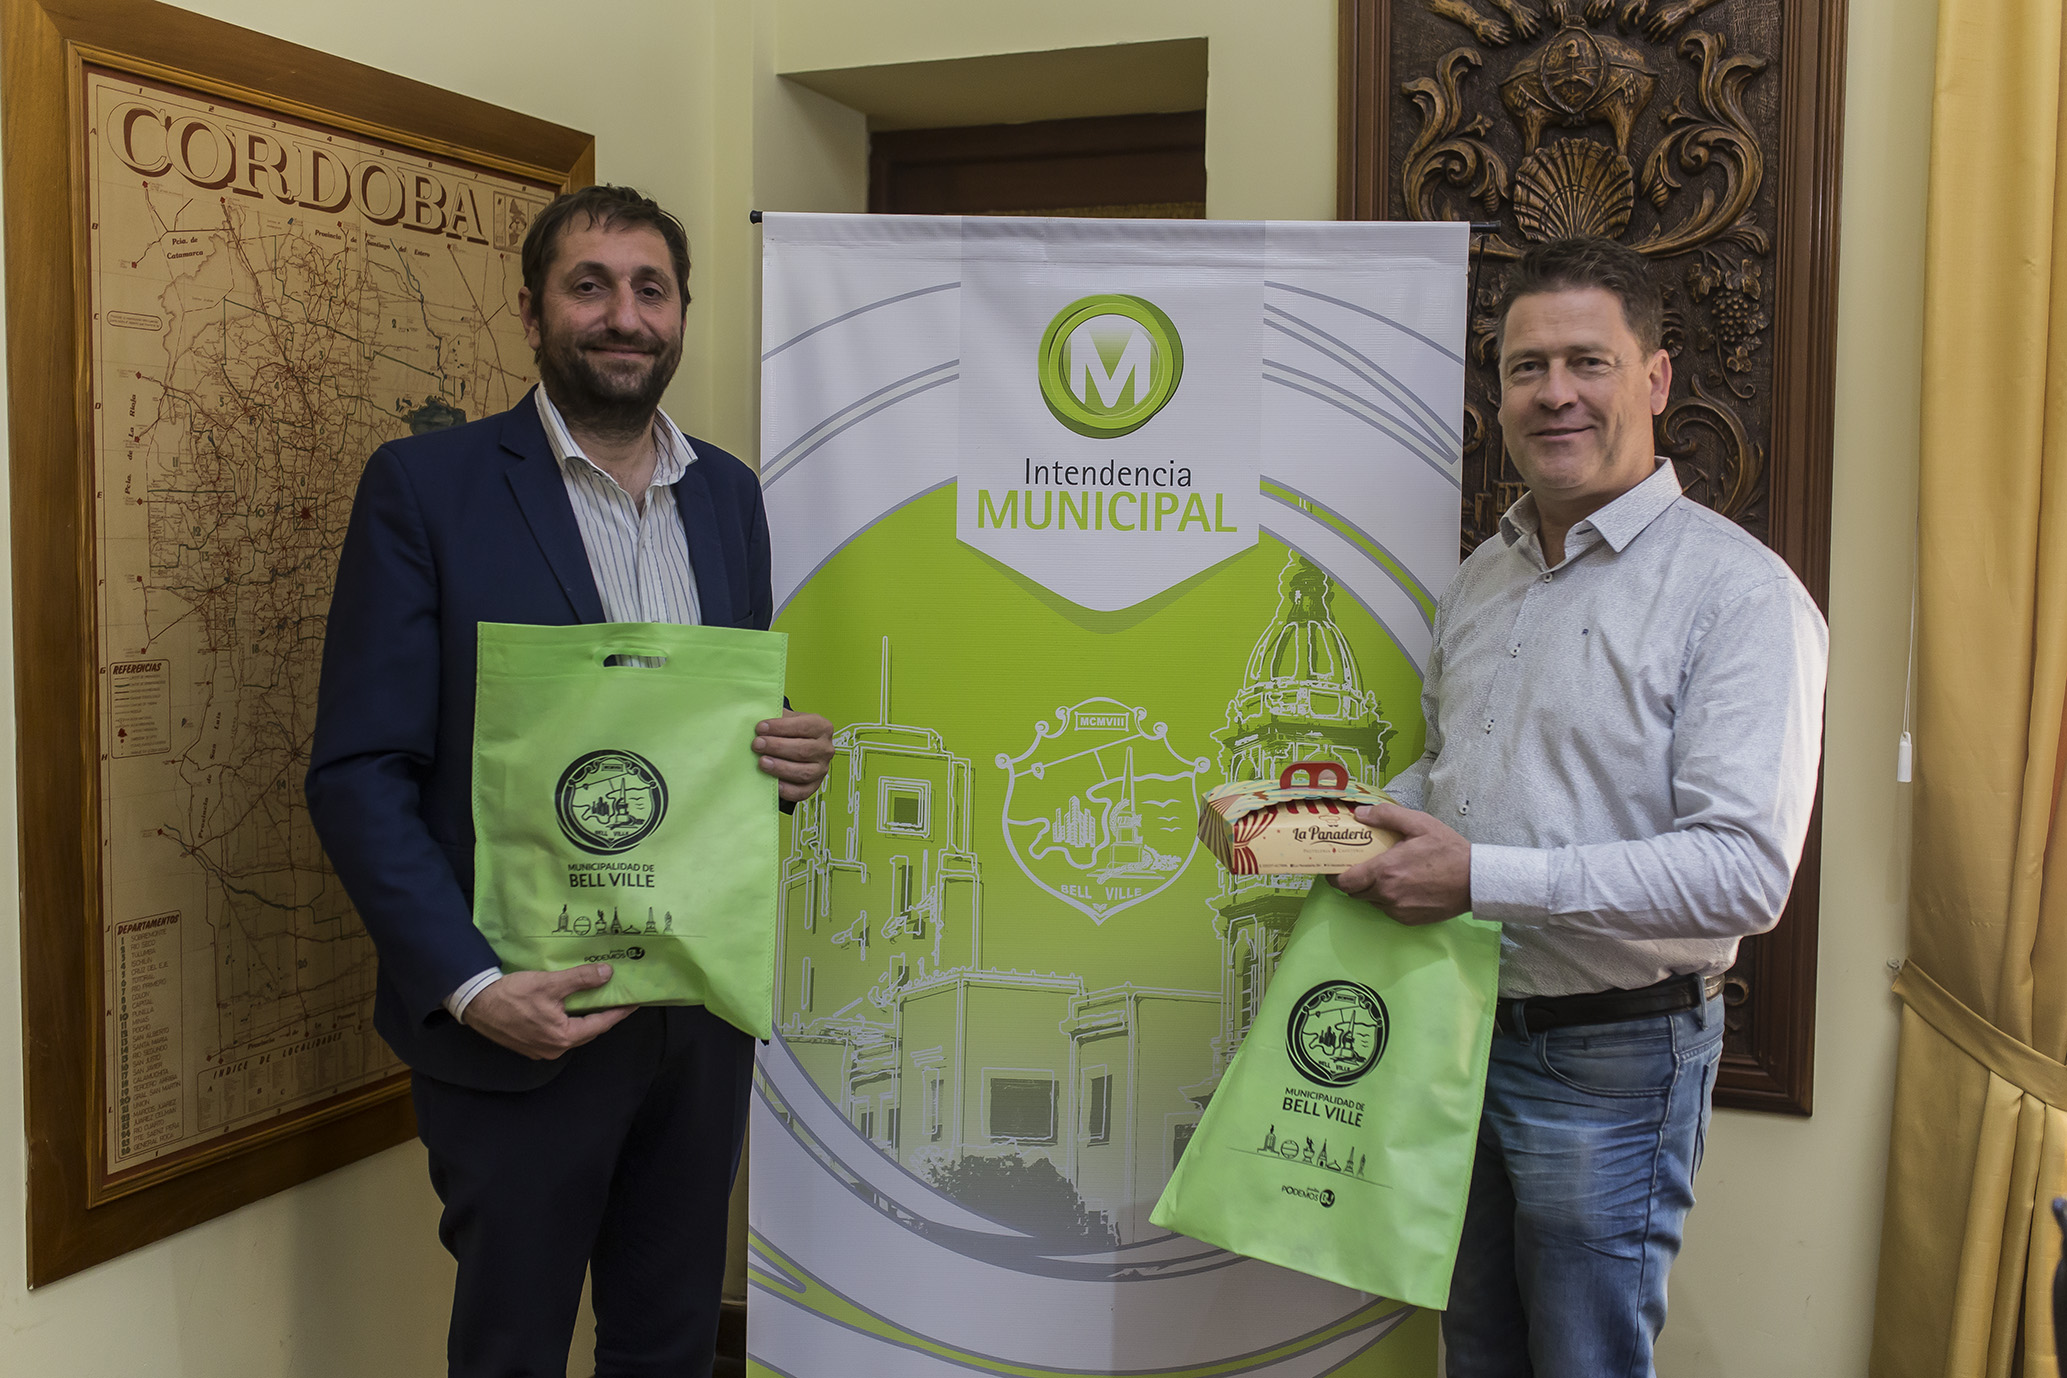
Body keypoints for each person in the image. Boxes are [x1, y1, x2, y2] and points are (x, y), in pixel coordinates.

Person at [306, 184, 833, 1378]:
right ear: (533, 310)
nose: (623, 316)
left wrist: (782, 763)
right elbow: (358, 772)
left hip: (696, 1019)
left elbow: (696, 749)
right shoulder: (426, 489)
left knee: (670, 1342)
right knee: (512, 1350)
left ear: (681, 312)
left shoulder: (727, 495)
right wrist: (472, 986)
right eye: (589, 285)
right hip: (522, 1017)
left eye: (651, 289)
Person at [1332, 236, 1826, 1376]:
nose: (1553, 392)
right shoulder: (1483, 575)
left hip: (1615, 1061)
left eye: (1586, 362)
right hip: (1457, 1031)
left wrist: (1479, 878)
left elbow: (1743, 873)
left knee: (1583, 1362)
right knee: (1476, 1351)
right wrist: (1328, 826)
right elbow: (1452, 770)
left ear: (1653, 379)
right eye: (1526, 367)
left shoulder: (1740, 597)